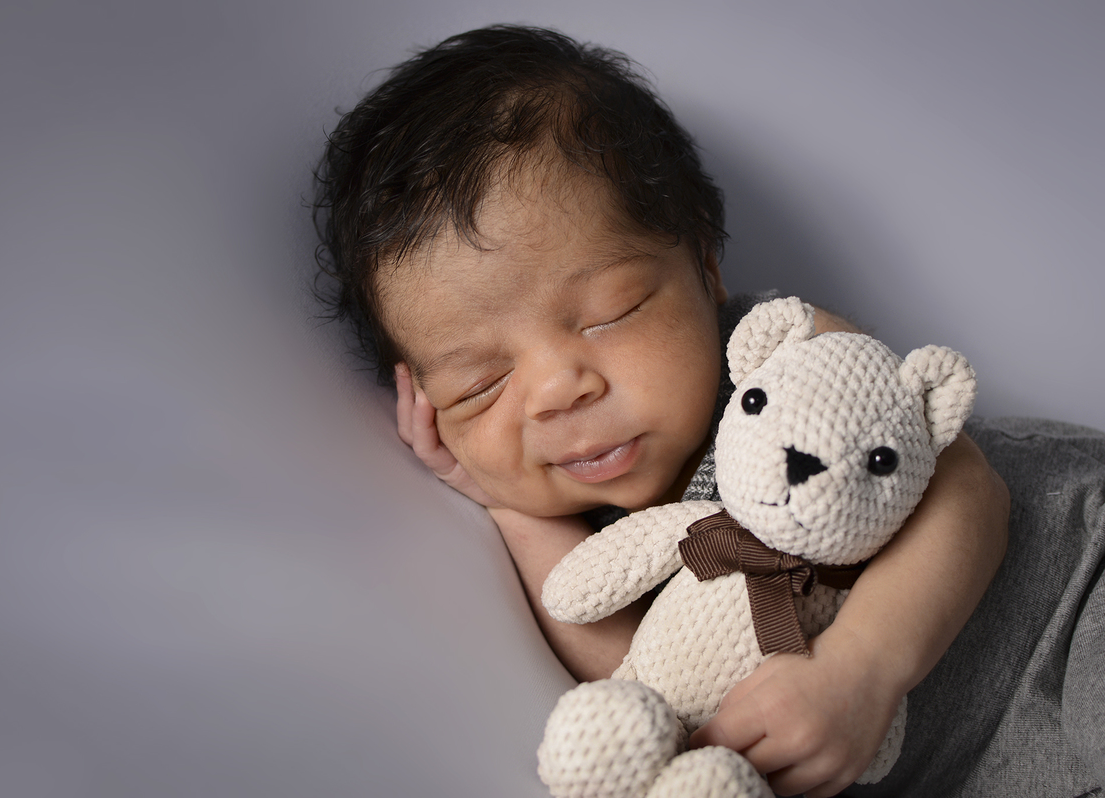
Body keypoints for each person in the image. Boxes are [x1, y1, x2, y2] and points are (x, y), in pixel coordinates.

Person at [311, 25, 1103, 797]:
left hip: (1071, 578)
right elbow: (642, 674)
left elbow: (972, 492)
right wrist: (505, 503)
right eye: (480, 384)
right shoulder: (586, 531)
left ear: (704, 264)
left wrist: (861, 669)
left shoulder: (782, 350)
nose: (559, 391)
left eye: (610, 313)